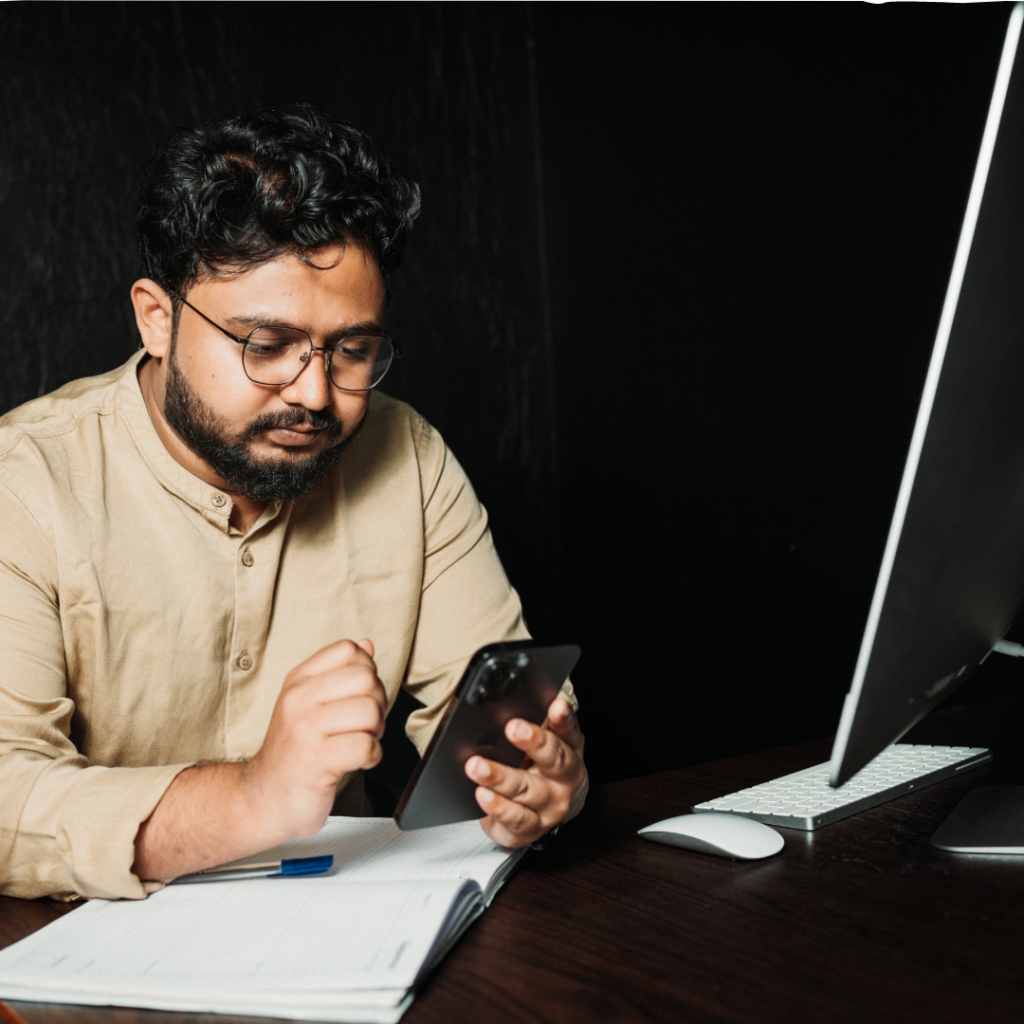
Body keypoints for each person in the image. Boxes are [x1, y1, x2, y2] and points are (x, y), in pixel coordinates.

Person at [0, 106, 587, 901]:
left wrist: (540, 782)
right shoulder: (24, 483)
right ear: (158, 317)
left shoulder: (407, 455)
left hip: (350, 933)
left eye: (353, 350)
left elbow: (498, 713)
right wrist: (252, 797)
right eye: (266, 346)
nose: (315, 393)